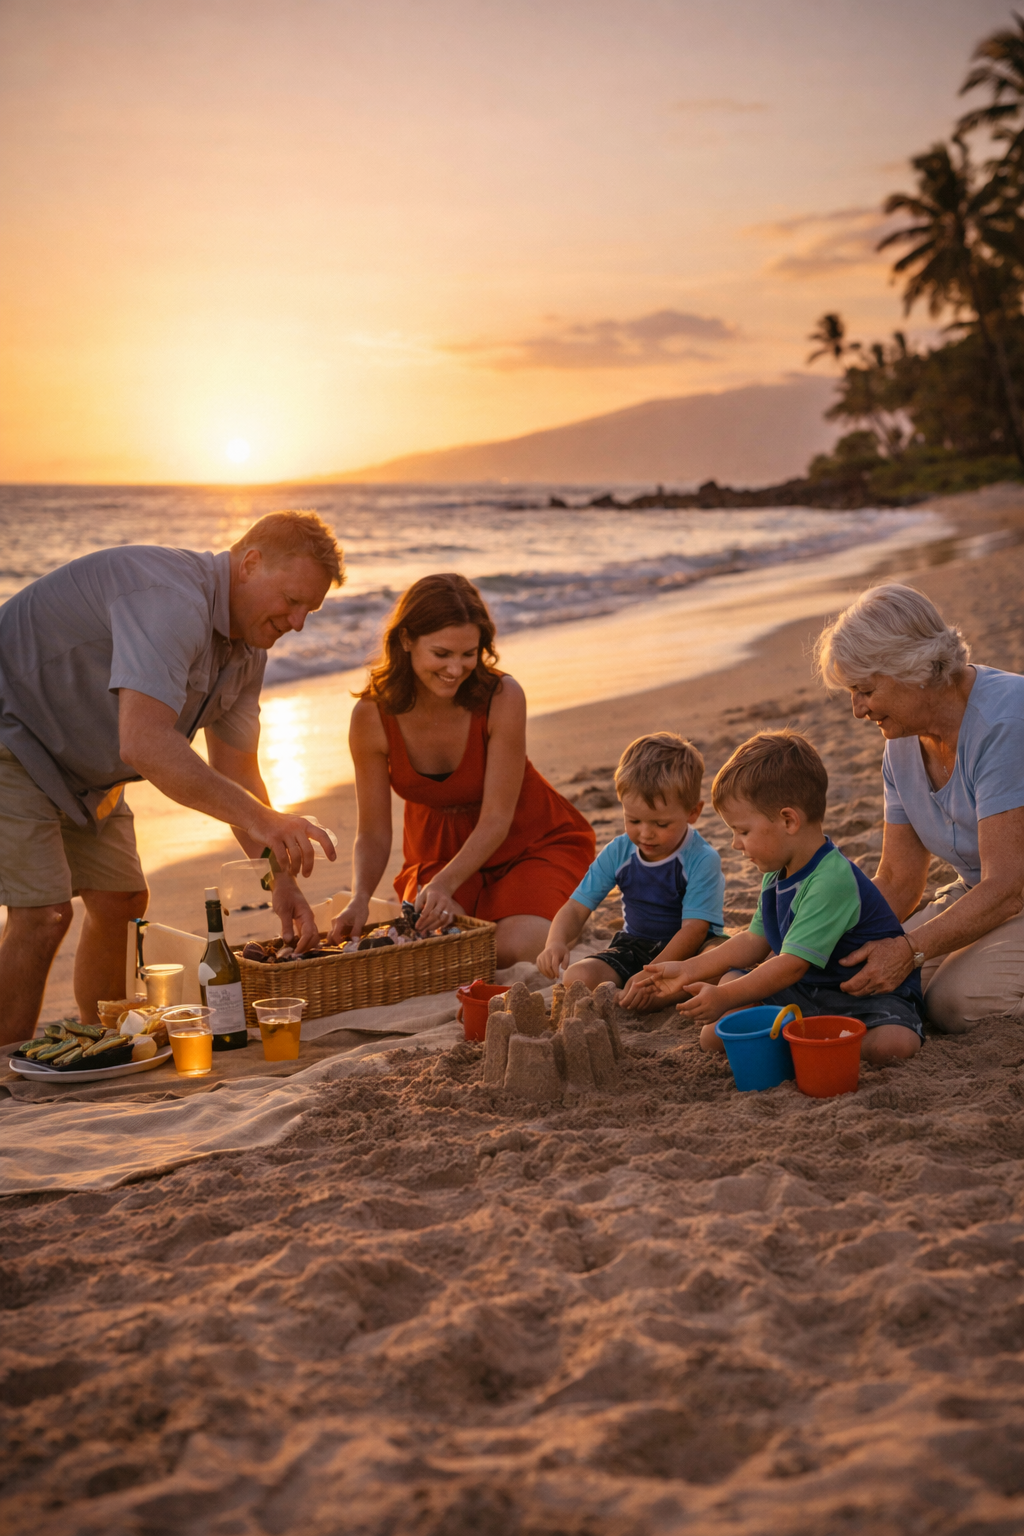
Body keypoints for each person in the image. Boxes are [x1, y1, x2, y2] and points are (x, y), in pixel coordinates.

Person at [0, 510, 343, 1046]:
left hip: (84, 768)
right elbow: (145, 743)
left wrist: (280, 880)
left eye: (310, 610)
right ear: (250, 563)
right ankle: (5, 1077)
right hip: (12, 733)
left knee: (121, 901)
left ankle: (97, 1047)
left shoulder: (248, 650)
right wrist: (265, 821)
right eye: (292, 600)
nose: (298, 622)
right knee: (44, 914)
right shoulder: (171, 599)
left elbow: (236, 769)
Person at [328, 573, 595, 968]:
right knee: (438, 944)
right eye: (442, 654)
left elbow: (497, 819)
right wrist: (360, 898)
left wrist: (444, 885)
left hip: (530, 843)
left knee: (511, 949)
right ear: (406, 641)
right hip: (438, 855)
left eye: (468, 653)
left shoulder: (502, 697)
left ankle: (559, 911)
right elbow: (373, 832)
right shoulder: (371, 717)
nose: (456, 668)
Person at [627, 731, 923, 1066]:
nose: (737, 845)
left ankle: (799, 1040)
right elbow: (754, 941)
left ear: (788, 820)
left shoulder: (831, 880)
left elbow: (791, 964)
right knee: (713, 1035)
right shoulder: (777, 870)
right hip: (807, 989)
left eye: (743, 831)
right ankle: (802, 1037)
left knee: (892, 1046)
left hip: (863, 995)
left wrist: (724, 995)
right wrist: (686, 970)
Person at [814, 583, 1024, 1032]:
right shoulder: (902, 742)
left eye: (865, 690)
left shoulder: (1006, 720)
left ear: (913, 669)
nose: (857, 709)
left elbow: (1008, 884)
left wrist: (909, 949)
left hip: (1011, 890)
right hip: (983, 892)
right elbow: (898, 880)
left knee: (952, 1003)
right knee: (863, 978)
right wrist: (815, 944)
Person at [537, 732, 724, 991]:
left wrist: (654, 975)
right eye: (634, 820)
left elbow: (694, 930)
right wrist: (556, 941)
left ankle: (663, 991)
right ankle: (660, 992)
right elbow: (576, 908)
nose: (645, 833)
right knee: (577, 978)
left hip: (689, 951)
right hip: (636, 947)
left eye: (661, 824)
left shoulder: (702, 858)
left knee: (719, 957)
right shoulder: (619, 851)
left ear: (693, 812)